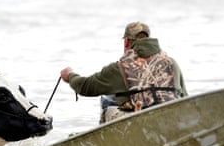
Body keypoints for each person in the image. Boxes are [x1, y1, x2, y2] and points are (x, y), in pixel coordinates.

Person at [60, 22, 188, 123]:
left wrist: (70, 75)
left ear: (127, 42)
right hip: (172, 119)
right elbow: (184, 97)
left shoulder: (120, 67)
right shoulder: (172, 63)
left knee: (108, 104)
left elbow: (85, 87)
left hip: (140, 124)